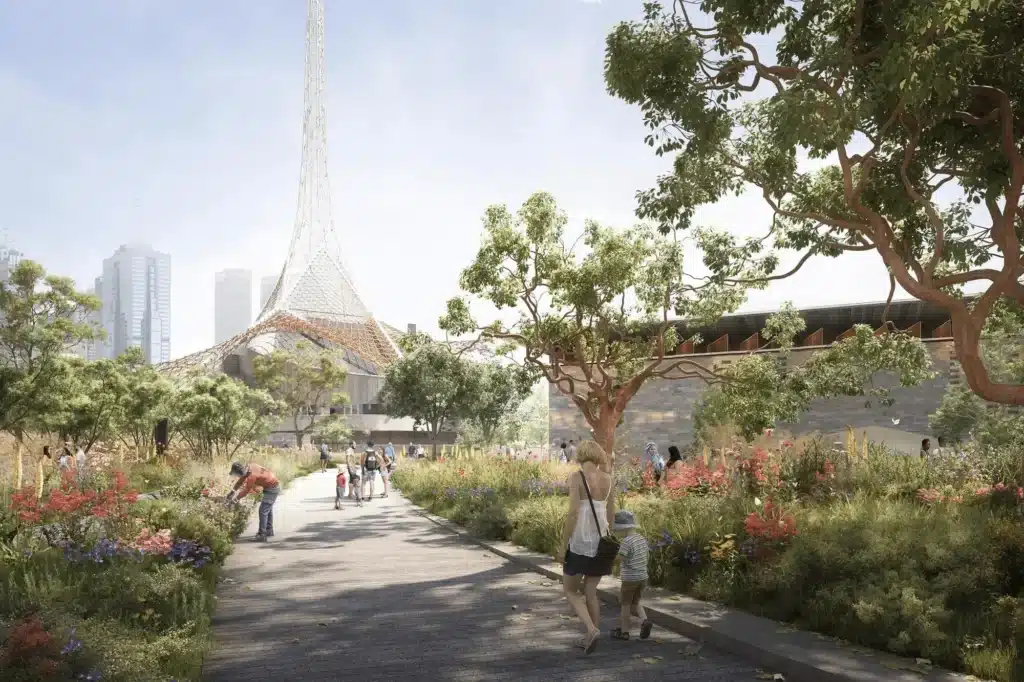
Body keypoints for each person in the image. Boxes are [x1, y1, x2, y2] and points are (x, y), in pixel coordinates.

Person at [560, 440, 616, 655]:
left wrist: (563, 544)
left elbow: (574, 512)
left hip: (580, 541)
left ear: (581, 455)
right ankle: (591, 636)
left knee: (570, 590)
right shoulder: (608, 479)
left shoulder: (576, 477)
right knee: (590, 591)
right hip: (601, 542)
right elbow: (611, 514)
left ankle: (591, 630)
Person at [609, 510, 653, 641]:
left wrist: (610, 559)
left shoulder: (626, 542)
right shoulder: (641, 539)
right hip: (642, 576)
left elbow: (620, 558)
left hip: (630, 579)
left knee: (625, 604)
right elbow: (647, 556)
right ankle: (645, 620)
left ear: (622, 528)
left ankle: (624, 631)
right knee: (636, 601)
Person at [227, 462, 281, 541]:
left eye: (237, 474)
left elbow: (246, 490)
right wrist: (231, 492)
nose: (237, 476)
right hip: (271, 485)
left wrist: (234, 500)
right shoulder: (249, 467)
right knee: (268, 510)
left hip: (272, 488)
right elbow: (240, 482)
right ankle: (269, 530)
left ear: (240, 472)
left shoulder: (252, 476)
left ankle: (262, 535)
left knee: (263, 511)